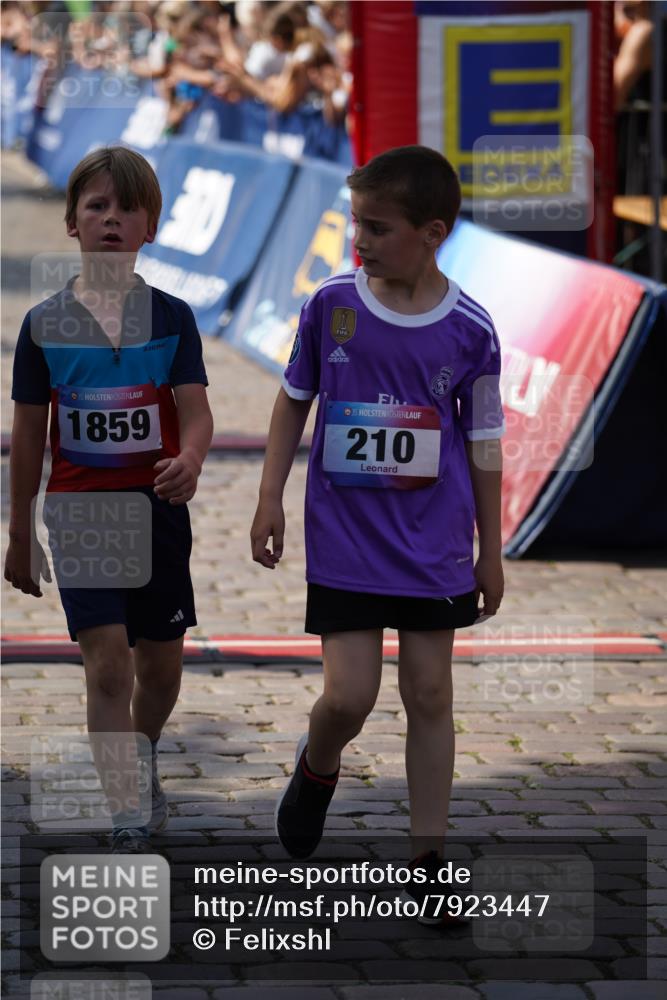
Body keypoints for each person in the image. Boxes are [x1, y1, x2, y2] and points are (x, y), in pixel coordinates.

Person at [250, 145, 505, 923]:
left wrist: (489, 549)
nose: (357, 240)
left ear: (433, 233)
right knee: (348, 696)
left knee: (429, 692)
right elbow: (295, 398)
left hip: (431, 546)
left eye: (376, 227)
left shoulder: (469, 329)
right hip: (346, 538)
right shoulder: (331, 303)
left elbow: (484, 442)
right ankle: (317, 765)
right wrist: (270, 495)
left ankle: (427, 859)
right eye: (355, 222)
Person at [4, 146, 213, 852]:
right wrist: (20, 532)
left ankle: (140, 753)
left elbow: (197, 409)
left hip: (157, 511)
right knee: (108, 665)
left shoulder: (174, 318)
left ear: (149, 226)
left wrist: (189, 456)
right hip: (82, 511)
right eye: (97, 207)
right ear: (71, 224)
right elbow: (29, 436)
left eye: (126, 208)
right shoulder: (42, 325)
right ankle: (126, 811)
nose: (111, 220)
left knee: (160, 669)